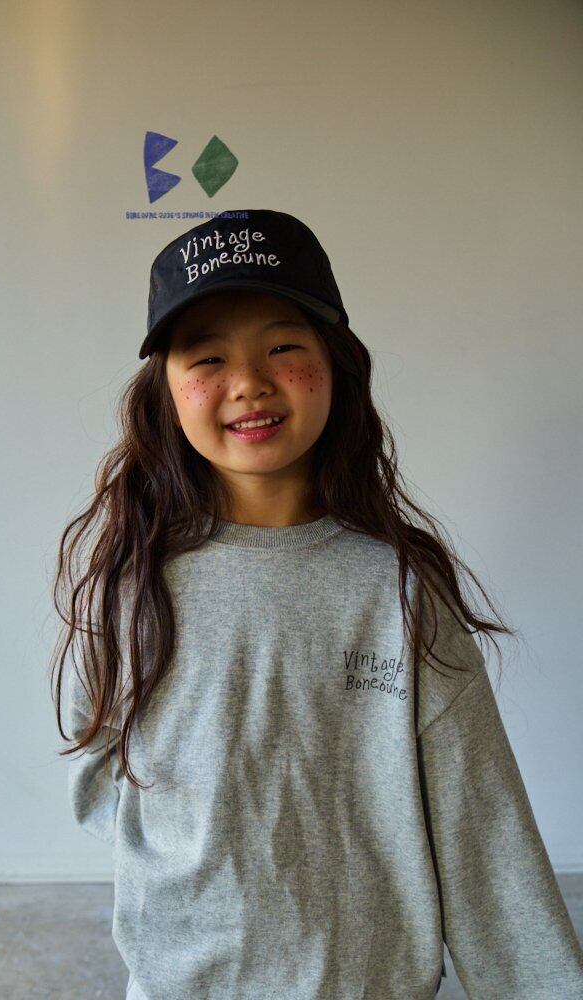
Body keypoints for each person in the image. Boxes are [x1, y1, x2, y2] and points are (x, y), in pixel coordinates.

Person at [50, 209, 583, 999]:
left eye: (282, 346)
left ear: (336, 364)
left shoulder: (397, 590)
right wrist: (200, 857)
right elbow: (94, 767)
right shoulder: (134, 585)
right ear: (165, 391)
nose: (248, 382)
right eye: (208, 356)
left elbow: (483, 828)